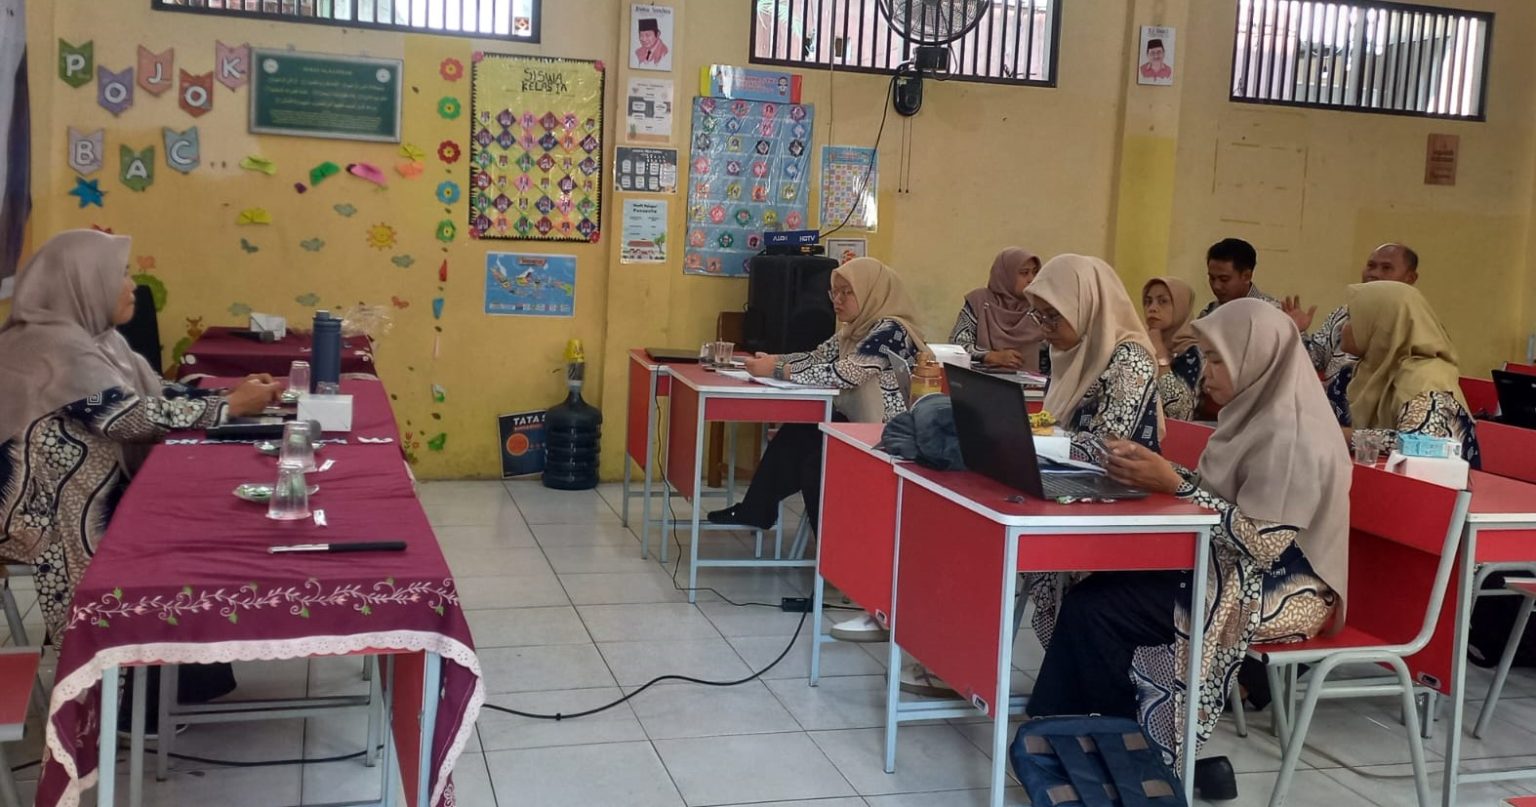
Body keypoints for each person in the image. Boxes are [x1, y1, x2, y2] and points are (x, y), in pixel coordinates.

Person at [1028, 300, 1351, 798]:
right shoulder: (1255, 413)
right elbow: (1220, 498)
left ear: (1258, 358)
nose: (1206, 373)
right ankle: (1081, 736)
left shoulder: (1293, 435)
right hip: (1236, 563)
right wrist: (1157, 473)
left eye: (1219, 359)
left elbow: (1263, 542)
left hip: (1289, 587)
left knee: (1101, 610)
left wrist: (1174, 485)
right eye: (1206, 358)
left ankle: (1118, 749)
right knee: (1097, 591)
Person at [0, 230, 280, 730]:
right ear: (82, 282)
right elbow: (123, 417)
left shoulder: (95, 341)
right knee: (160, 540)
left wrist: (221, 395)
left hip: (86, 496)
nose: (132, 286)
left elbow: (146, 395)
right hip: (43, 514)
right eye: (120, 274)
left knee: (179, 522)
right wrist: (228, 407)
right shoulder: (49, 347)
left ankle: (177, 684)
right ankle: (119, 707)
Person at [708, 257, 925, 532]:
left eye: (847, 292)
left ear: (872, 292)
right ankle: (757, 509)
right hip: (854, 425)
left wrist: (778, 370)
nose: (837, 300)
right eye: (835, 292)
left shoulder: (892, 331)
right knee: (798, 432)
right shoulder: (853, 329)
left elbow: (849, 373)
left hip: (886, 434)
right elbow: (817, 357)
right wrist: (775, 360)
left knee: (817, 465)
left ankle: (834, 544)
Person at [1024, 254, 1162, 463]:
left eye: (1053, 316)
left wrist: (1030, 439)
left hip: (1118, 478)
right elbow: (1051, 424)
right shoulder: (1070, 351)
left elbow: (1106, 449)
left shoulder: (1132, 359)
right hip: (1062, 470)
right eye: (1039, 316)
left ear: (1088, 305)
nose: (1045, 328)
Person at [1343, 281, 1480, 467]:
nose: (1342, 327)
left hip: (1432, 483)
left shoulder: (1427, 377)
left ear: (1383, 326)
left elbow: (1422, 442)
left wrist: (1346, 437)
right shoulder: (1369, 370)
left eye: (1352, 319)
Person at [1282, 243, 1421, 426]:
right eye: (1371, 266)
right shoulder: (1342, 314)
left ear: (1410, 277)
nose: (1374, 274)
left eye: (1386, 268)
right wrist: (1296, 331)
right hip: (1327, 420)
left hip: (1376, 428)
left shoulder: (1414, 325)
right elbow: (1313, 361)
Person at [948, 247, 1049, 373]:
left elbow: (1057, 351)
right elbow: (957, 345)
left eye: (1035, 273)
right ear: (1006, 276)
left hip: (1033, 383)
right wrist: (990, 356)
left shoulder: (1040, 308)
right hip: (982, 379)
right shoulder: (980, 302)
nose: (1031, 279)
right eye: (1024, 273)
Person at [1142, 276, 1202, 421]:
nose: (1152, 308)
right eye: (1148, 301)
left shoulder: (1193, 353)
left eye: (1163, 301)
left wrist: (1160, 354)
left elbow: (1179, 412)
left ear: (1181, 307)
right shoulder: (1139, 344)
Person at [1199, 237, 1280, 318]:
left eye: (1224, 279)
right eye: (1212, 278)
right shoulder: (1209, 313)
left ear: (1247, 276)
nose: (1216, 286)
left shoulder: (1273, 313)